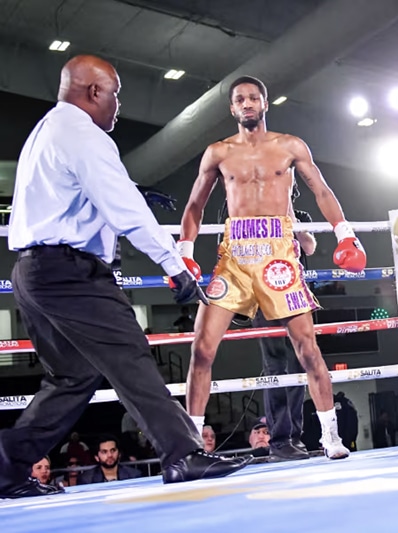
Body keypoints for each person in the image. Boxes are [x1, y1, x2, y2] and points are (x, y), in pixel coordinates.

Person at [0, 55, 250, 499]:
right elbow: (124, 210)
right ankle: (181, 453)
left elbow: (72, 193)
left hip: (32, 272)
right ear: (94, 92)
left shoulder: (49, 129)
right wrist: (174, 265)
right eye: (115, 94)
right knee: (130, 353)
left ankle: (6, 469)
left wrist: (131, 190)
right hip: (69, 273)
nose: (119, 105)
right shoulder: (83, 133)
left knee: (72, 377)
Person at [179, 75, 366, 460]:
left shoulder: (290, 146)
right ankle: (191, 444)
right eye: (240, 100)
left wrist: (346, 235)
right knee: (201, 348)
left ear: (264, 104)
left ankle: (330, 437)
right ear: (232, 109)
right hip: (234, 256)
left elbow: (322, 190)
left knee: (307, 348)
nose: (247, 104)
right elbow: (195, 204)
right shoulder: (218, 152)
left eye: (253, 98)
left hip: (278, 253)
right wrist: (184, 250)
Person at [253, 186, 316, 461]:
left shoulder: (299, 215)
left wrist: (288, 216)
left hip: (294, 297)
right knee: (275, 367)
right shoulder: (250, 215)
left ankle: (295, 437)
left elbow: (310, 247)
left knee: (300, 364)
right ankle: (279, 440)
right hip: (263, 296)